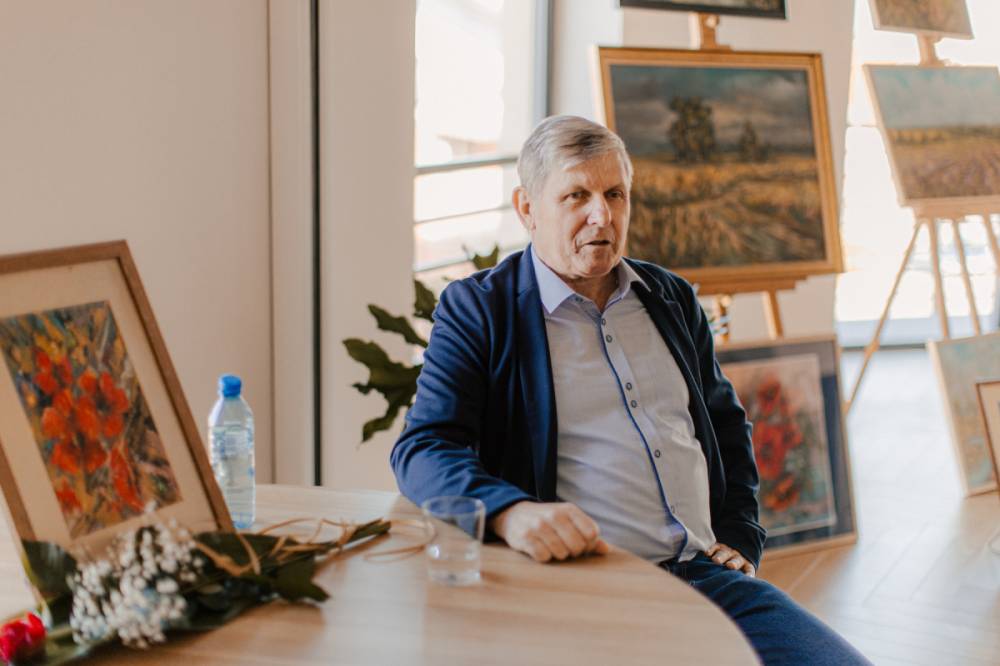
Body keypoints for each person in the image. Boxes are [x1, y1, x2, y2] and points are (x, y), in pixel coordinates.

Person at [391, 115, 870, 665]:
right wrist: (511, 511)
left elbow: (724, 424)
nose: (602, 215)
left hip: (708, 579)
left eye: (615, 194)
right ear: (527, 208)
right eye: (577, 195)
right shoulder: (481, 310)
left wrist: (740, 532)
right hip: (585, 587)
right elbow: (423, 447)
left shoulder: (671, 298)